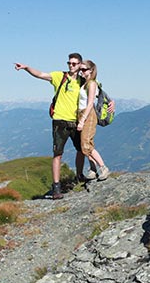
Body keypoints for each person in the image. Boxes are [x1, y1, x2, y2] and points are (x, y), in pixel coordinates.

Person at [14, 53, 97, 199]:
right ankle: (56, 186)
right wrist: (26, 68)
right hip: (59, 121)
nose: (71, 66)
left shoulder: (83, 81)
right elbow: (40, 74)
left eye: (74, 64)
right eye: (69, 63)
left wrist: (111, 103)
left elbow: (96, 92)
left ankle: (79, 175)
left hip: (76, 121)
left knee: (81, 150)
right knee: (57, 154)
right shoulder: (60, 76)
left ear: (79, 65)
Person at [76, 60, 110, 181]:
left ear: (91, 70)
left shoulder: (91, 84)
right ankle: (92, 169)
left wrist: (82, 120)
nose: (82, 72)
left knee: (86, 145)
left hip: (88, 115)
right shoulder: (85, 83)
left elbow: (90, 103)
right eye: (81, 70)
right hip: (82, 114)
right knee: (87, 144)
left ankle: (103, 167)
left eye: (84, 69)